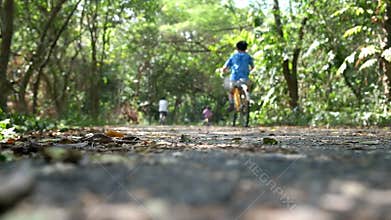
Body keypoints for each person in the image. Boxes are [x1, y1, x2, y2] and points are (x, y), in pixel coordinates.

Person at [222, 40, 254, 111]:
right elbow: (252, 66)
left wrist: (223, 71)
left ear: (237, 48)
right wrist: (249, 70)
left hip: (234, 78)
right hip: (245, 78)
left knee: (230, 91)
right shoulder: (248, 56)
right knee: (247, 87)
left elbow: (225, 67)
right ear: (246, 48)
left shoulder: (233, 56)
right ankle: (246, 99)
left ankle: (231, 104)